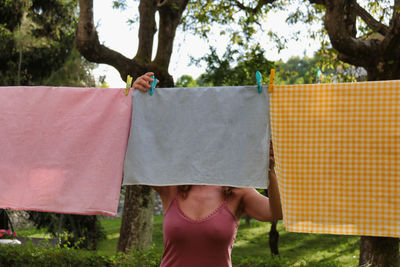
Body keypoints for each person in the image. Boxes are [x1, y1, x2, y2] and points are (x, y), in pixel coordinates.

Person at [132, 72, 283, 267]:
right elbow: (137, 151)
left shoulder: (237, 190)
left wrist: (269, 171)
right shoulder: (172, 185)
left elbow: (275, 212)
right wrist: (136, 100)